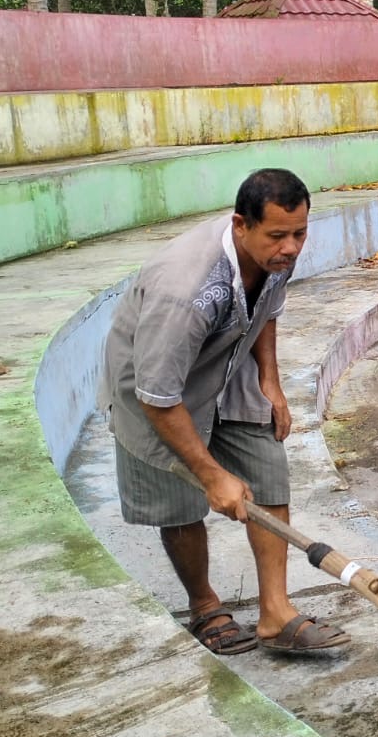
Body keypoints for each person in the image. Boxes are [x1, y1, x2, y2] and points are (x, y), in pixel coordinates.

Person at [102, 168, 350, 655]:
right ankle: (204, 604)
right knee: (180, 500)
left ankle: (276, 614)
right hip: (153, 388)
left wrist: (270, 381)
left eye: (300, 233)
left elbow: (268, 308)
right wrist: (212, 475)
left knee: (266, 468)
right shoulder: (186, 289)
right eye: (278, 235)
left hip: (225, 362)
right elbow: (157, 394)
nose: (292, 247)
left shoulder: (276, 252)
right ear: (241, 225)